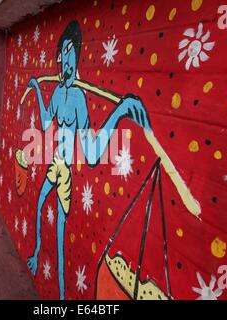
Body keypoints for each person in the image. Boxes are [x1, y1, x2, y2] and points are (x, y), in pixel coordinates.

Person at [26, 21, 151, 300]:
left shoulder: (80, 98)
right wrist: (36, 88)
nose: (66, 62)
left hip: (66, 176)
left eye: (72, 53)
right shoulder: (59, 93)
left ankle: (59, 298)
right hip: (53, 164)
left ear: (78, 57)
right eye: (63, 53)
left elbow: (92, 154)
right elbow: (47, 123)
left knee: (59, 236)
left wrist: (120, 111)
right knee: (37, 205)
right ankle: (35, 251)